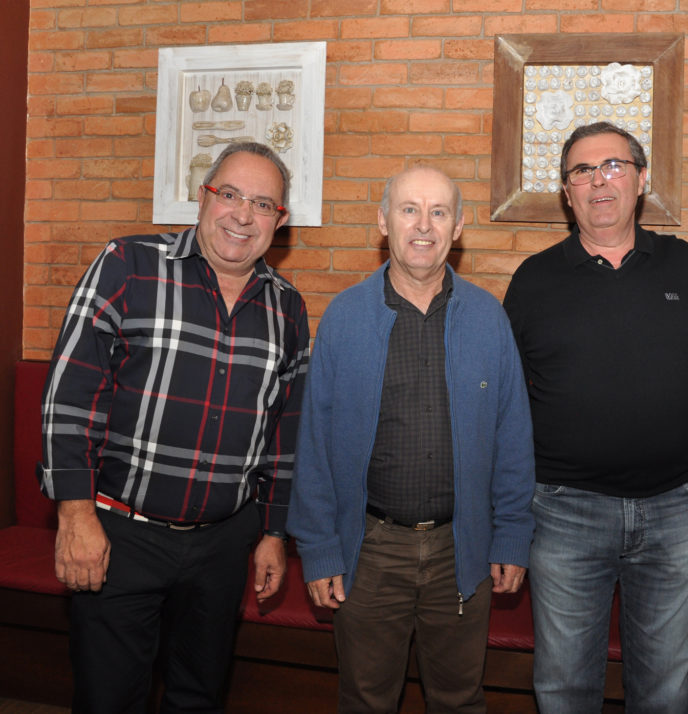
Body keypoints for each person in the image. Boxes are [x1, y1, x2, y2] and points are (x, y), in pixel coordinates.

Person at [37, 141, 309, 714]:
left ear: (279, 222)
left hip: (223, 543)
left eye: (264, 204)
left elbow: (284, 433)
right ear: (203, 196)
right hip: (118, 535)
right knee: (109, 700)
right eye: (230, 194)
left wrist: (273, 532)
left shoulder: (288, 307)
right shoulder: (128, 264)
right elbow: (70, 393)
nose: (243, 215)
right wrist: (75, 513)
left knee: (198, 697)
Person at [287, 165, 535, 713]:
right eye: (408, 210)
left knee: (460, 698)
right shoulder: (344, 318)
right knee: (367, 700)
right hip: (369, 551)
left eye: (438, 211)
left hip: (461, 551)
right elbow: (315, 446)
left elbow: (513, 436)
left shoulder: (489, 319)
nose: (423, 225)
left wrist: (512, 534)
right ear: (383, 222)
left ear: (458, 226)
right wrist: (320, 548)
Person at [503, 121, 688, 714]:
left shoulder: (686, 264)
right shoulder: (534, 280)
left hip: (678, 509)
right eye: (582, 171)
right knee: (564, 689)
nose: (598, 181)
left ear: (641, 180)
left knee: (665, 690)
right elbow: (506, 406)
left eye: (613, 165)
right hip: (564, 514)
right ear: (567, 192)